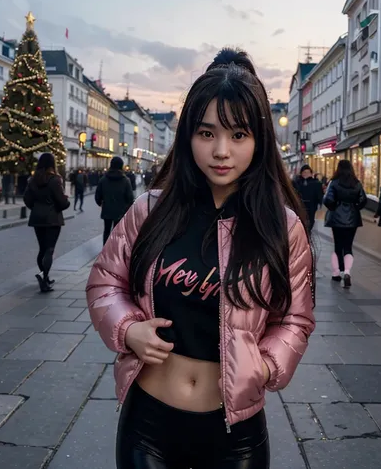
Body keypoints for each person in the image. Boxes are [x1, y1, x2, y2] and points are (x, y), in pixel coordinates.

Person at [86, 48, 315, 469]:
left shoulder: (281, 227)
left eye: (239, 135)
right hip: (148, 423)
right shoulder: (152, 209)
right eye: (207, 133)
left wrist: (264, 367)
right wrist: (128, 329)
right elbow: (105, 282)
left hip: (235, 434)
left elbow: (295, 319)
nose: (221, 151)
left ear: (260, 140)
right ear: (188, 135)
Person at [24, 153, 70, 292]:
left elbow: (27, 199)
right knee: (49, 250)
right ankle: (44, 279)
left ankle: (45, 276)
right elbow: (62, 202)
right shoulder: (55, 180)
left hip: (37, 218)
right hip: (52, 219)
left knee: (42, 249)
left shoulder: (33, 180)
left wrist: (36, 208)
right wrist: (66, 201)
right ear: (52, 164)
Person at [324, 159, 367, 288]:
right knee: (348, 246)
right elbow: (363, 200)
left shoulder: (334, 183)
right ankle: (347, 272)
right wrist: (355, 207)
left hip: (337, 218)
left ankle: (337, 272)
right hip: (352, 219)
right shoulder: (356, 183)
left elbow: (328, 199)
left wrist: (334, 207)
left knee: (338, 245)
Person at [95, 156, 134, 245]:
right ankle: (115, 251)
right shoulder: (125, 181)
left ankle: (105, 249)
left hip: (107, 210)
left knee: (106, 231)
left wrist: (102, 204)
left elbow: (97, 197)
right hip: (121, 212)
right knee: (118, 233)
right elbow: (130, 198)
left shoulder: (103, 179)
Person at [292, 164, 323, 231]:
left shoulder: (316, 183)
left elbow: (319, 194)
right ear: (301, 173)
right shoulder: (296, 182)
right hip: (300, 205)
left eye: (308, 172)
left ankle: (308, 232)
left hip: (311, 205)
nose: (306, 174)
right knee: (300, 219)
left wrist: (320, 202)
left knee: (310, 219)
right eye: (304, 172)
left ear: (311, 173)